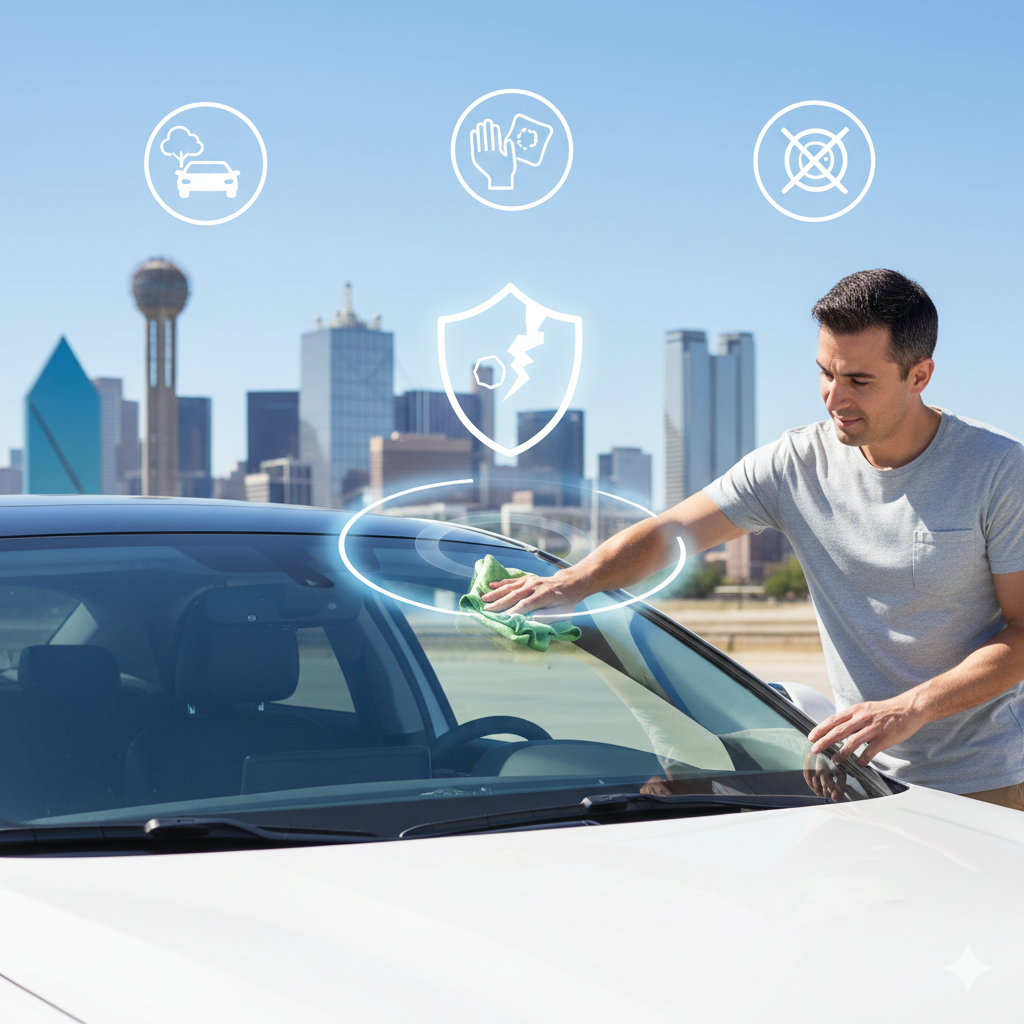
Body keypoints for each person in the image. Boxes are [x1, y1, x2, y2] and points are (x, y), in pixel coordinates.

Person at [483, 269, 1024, 811]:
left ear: (919, 375)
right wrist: (574, 582)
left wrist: (913, 708)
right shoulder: (795, 464)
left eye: (859, 381)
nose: (834, 398)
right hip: (855, 778)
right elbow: (671, 531)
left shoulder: (997, 471)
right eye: (825, 373)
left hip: (984, 779)